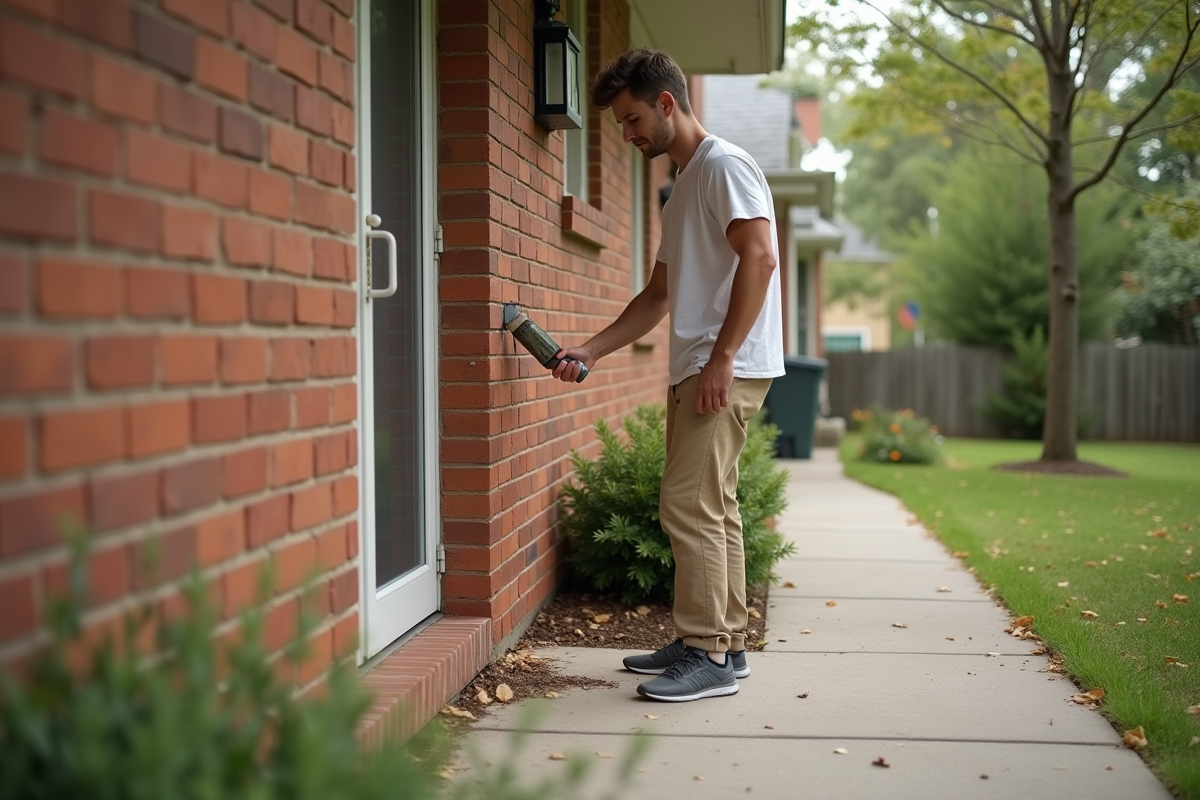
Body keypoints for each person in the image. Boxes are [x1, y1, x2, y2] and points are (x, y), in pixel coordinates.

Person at [551, 49, 785, 702]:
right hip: (703, 364)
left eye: (630, 121)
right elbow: (658, 294)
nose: (626, 137)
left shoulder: (723, 166)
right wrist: (592, 349)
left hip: (721, 366)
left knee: (688, 503)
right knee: (714, 505)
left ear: (665, 104)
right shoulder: (684, 186)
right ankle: (720, 645)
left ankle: (707, 651)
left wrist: (723, 358)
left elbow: (760, 258)